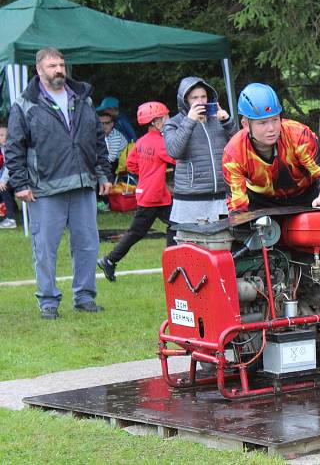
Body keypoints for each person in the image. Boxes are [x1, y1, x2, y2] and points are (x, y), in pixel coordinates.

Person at [5, 47, 111, 319]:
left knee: (88, 245)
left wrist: (103, 174)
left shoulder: (83, 99)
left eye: (62, 64)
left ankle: (85, 297)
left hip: (84, 183)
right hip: (44, 189)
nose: (59, 70)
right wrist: (19, 184)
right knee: (45, 249)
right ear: (39, 70)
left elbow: (98, 140)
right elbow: (15, 148)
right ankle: (48, 302)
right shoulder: (25, 104)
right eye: (52, 66)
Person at [222, 83, 320, 212]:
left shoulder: (298, 135)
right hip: (261, 202)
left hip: (306, 196)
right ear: (245, 125)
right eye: (262, 123)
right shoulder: (233, 153)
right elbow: (237, 206)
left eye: (275, 120)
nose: (271, 128)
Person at [97, 102, 176, 282]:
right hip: (154, 196)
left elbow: (131, 164)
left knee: (176, 224)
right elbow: (176, 158)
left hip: (152, 194)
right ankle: (109, 260)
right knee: (140, 232)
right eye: (166, 118)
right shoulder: (161, 143)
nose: (169, 120)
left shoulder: (141, 142)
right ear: (157, 122)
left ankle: (173, 264)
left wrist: (147, 173)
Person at [163, 76, 237, 224]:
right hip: (190, 200)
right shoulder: (174, 123)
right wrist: (190, 120)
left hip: (222, 197)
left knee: (223, 244)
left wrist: (227, 122)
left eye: (203, 96)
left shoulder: (218, 119)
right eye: (194, 98)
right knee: (191, 245)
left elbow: (240, 146)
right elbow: (174, 151)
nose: (201, 101)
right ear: (185, 101)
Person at [0, 123, 16, 228]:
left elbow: (9, 166)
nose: (0, 137)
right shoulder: (1, 148)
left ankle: (10, 219)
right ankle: (10, 208)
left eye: (2, 135)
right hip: (4, 177)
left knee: (3, 188)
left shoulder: (11, 148)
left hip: (15, 176)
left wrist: (2, 180)